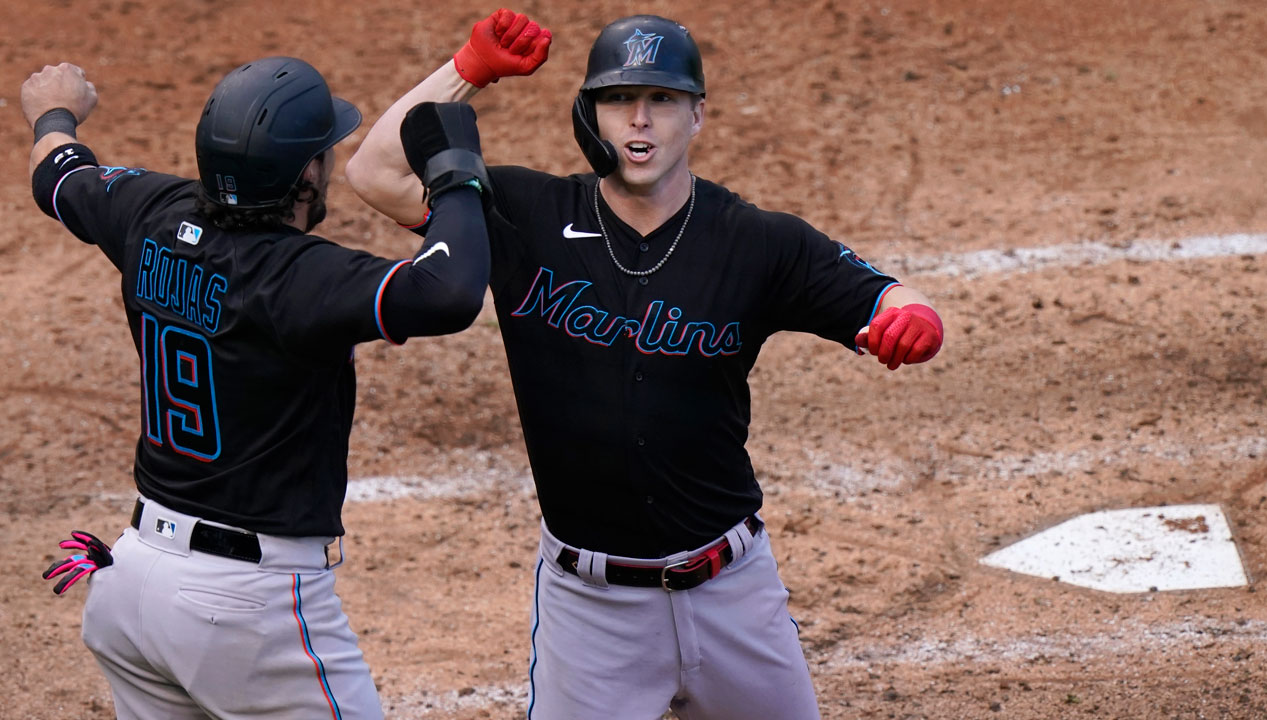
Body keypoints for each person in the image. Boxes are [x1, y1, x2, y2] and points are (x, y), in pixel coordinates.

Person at [346, 10, 943, 720]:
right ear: (588, 114)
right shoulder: (519, 216)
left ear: (696, 115)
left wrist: (913, 320)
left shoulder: (755, 241)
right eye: (618, 100)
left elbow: (885, 294)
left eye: (661, 100)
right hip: (589, 614)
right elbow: (374, 171)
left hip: (733, 598)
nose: (639, 121)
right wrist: (468, 69)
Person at [25, 57, 494, 719]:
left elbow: (58, 173)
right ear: (306, 174)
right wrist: (455, 173)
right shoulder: (295, 276)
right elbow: (447, 294)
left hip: (131, 586)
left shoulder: (150, 212)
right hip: (244, 609)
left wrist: (55, 110)